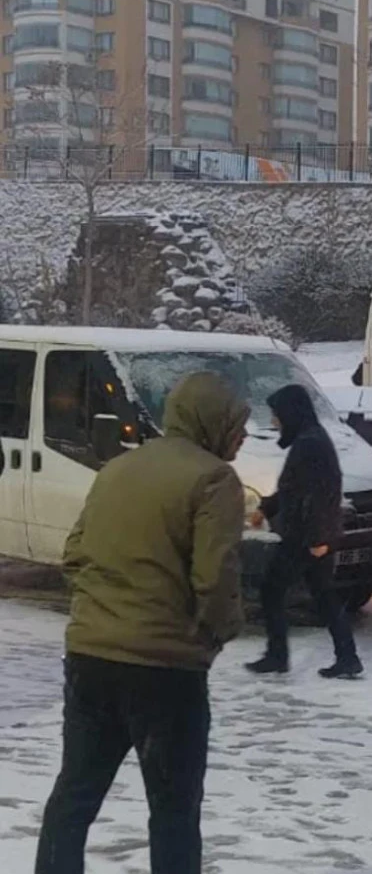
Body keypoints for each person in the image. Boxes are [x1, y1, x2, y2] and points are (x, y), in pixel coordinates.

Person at [36, 373, 248, 874]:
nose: (240, 439)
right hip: (165, 670)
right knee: (174, 809)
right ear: (212, 423)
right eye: (237, 428)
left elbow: (73, 554)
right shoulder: (214, 479)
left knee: (74, 796)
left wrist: (101, 609)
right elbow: (215, 578)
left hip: (91, 660)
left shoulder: (118, 468)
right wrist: (218, 631)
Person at [246, 384, 362, 680]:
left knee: (272, 590)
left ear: (291, 413)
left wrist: (319, 539)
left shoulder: (310, 444)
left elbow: (321, 495)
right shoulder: (309, 439)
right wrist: (266, 509)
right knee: (324, 596)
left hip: (305, 537)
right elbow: (293, 489)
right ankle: (347, 658)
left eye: (277, 415)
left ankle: (277, 655)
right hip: (309, 535)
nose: (274, 422)